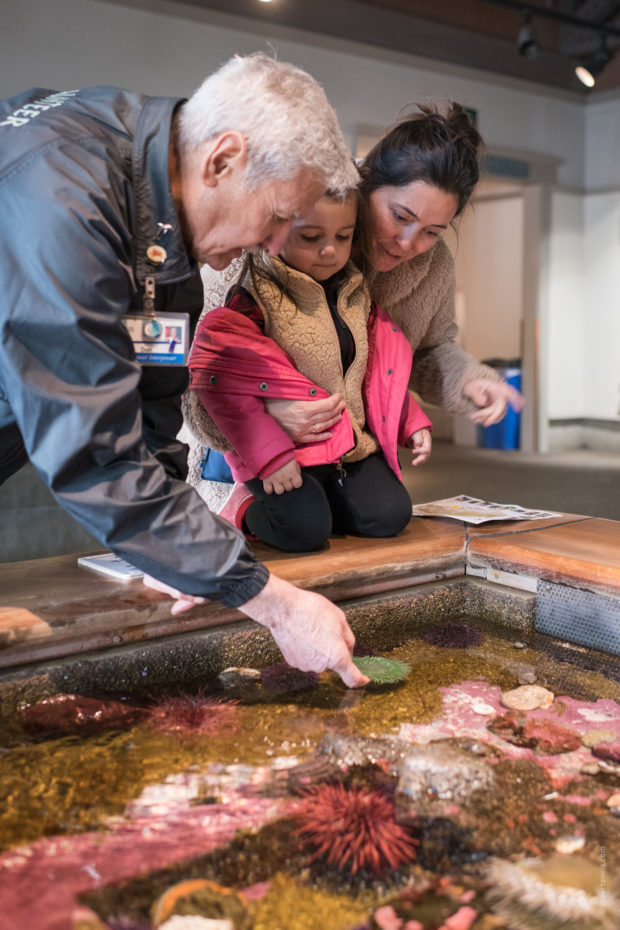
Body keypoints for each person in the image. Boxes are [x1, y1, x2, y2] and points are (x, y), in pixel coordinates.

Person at [0, 54, 368, 688]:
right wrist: (271, 603)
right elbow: (94, 453)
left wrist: (169, 549)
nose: (277, 245)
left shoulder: (163, 214)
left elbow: (153, 400)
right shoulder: (65, 200)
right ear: (221, 160)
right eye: (278, 216)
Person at [187, 101, 523, 488]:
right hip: (245, 456)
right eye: (400, 216)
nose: (408, 243)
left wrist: (469, 380)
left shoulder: (432, 266)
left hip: (350, 458)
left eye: (433, 231)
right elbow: (198, 362)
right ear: (365, 184)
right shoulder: (278, 225)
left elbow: (429, 349)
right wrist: (265, 414)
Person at [188, 189, 432, 551]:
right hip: (282, 453)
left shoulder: (354, 293)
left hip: (347, 448)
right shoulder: (255, 298)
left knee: (390, 516)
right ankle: (241, 506)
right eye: (311, 237)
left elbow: (375, 370)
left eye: (343, 236)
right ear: (272, 233)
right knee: (302, 530)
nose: (330, 250)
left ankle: (322, 501)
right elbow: (224, 386)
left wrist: (410, 421)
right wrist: (270, 456)